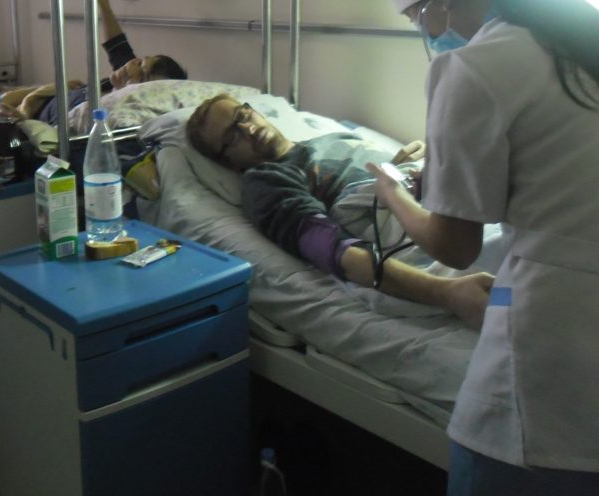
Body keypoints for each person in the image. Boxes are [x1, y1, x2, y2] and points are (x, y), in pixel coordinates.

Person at [367, 0, 599, 495]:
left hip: (554, 332)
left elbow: (455, 247)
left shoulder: (472, 68)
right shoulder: (578, 39)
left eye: (417, 14)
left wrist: (393, 193)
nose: (426, 30)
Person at [186, 93, 494, 327]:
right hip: (431, 238)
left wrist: (413, 164)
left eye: (243, 115)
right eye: (232, 136)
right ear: (229, 163)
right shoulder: (266, 182)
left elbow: (384, 180)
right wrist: (447, 293)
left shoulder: (334, 137)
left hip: (443, 209)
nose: (249, 129)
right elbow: (335, 250)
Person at [19, 0, 188, 123]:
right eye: (140, 61)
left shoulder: (109, 112)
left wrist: (21, 118)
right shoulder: (120, 80)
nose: (132, 64)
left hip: (30, 120)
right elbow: (116, 43)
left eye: (143, 75)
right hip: (39, 99)